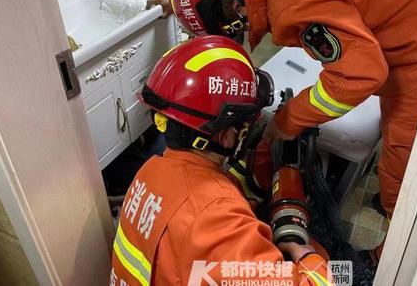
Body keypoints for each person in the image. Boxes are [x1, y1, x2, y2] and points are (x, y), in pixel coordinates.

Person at [146, 0, 417, 257]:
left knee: (402, 161)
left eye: (237, 25)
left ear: (235, 7)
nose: (244, 28)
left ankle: (394, 256)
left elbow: (361, 75)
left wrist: (288, 119)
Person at [110, 35, 331, 285]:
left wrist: (248, 182)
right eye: (247, 124)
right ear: (226, 135)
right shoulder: (215, 221)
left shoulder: (150, 171)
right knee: (323, 256)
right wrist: (308, 256)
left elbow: (200, 202)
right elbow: (211, 216)